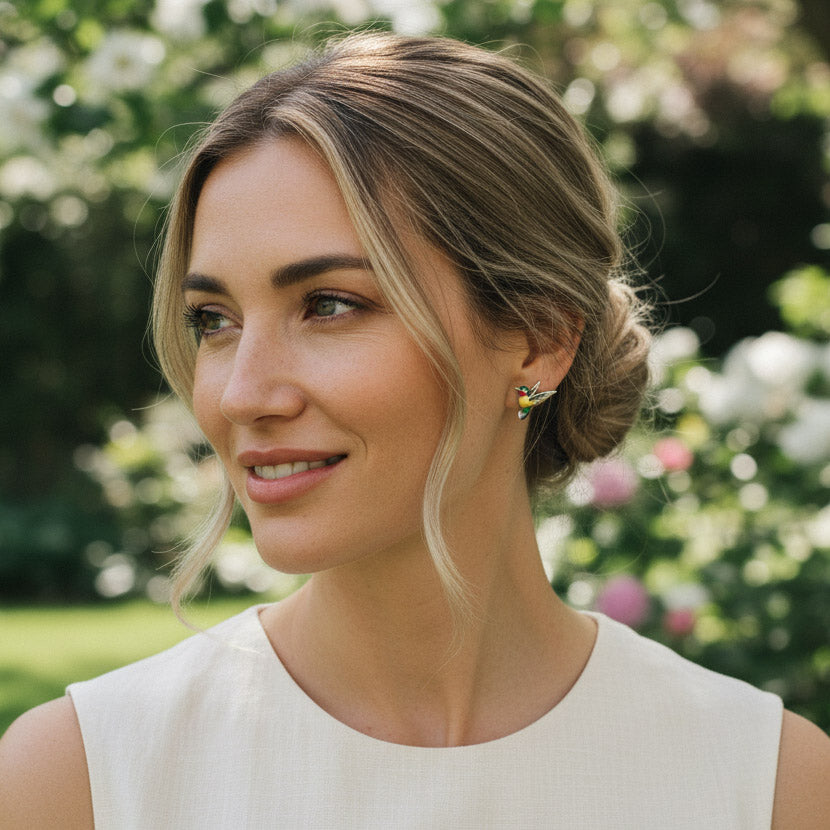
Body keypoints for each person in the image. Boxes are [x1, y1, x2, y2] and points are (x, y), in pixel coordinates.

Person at [1, 32, 828, 829]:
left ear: (540, 339)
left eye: (328, 305)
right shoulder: (81, 782)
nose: (241, 393)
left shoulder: (766, 787)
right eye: (214, 319)